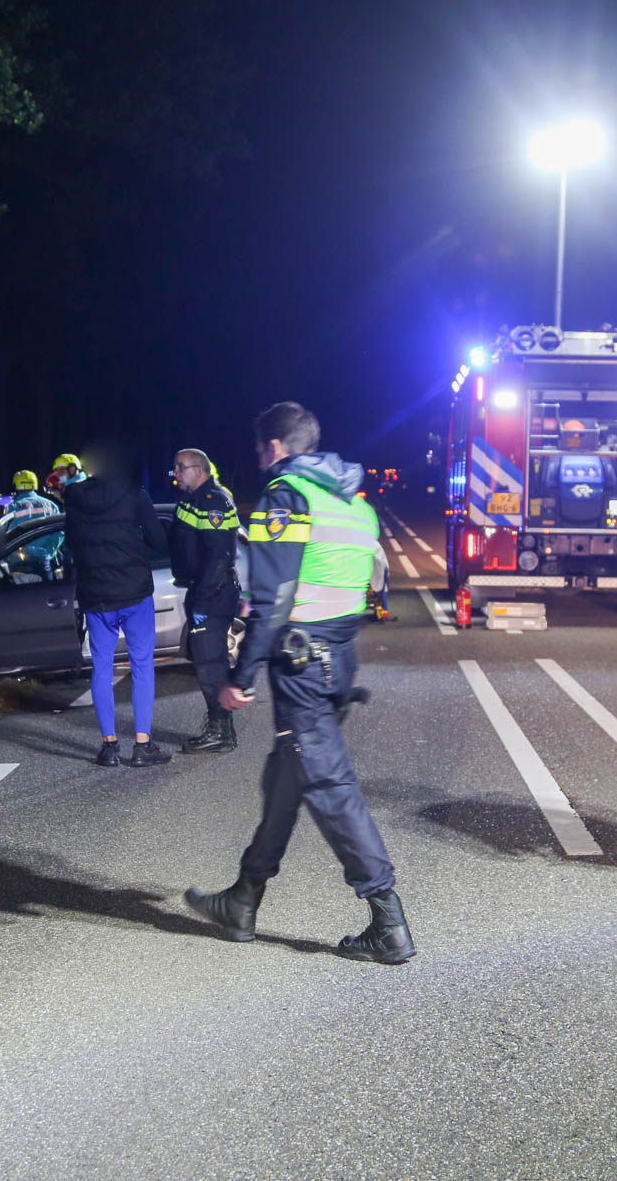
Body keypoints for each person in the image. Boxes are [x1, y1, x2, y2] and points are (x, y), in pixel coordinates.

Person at [185, 402, 414, 964]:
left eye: (260, 448)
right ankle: (243, 899)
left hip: (302, 667)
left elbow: (274, 597)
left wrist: (241, 677)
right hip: (338, 660)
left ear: (275, 446)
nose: (259, 457)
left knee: (330, 785)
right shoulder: (353, 501)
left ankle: (387, 921)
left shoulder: (287, 497)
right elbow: (374, 580)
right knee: (287, 775)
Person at [59, 453, 169, 767]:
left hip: (96, 597)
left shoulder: (75, 498)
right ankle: (142, 744)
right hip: (134, 593)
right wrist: (134, 550)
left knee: (102, 667)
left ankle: (109, 746)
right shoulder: (135, 494)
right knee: (142, 665)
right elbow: (159, 541)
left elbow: (70, 544)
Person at [169, 448, 242, 752]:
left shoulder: (212, 501)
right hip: (204, 590)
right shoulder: (195, 499)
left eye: (180, 467)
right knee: (208, 661)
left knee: (209, 663)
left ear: (198, 470)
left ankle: (219, 732)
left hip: (212, 593)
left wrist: (201, 596)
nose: (175, 473)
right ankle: (222, 730)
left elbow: (218, 555)